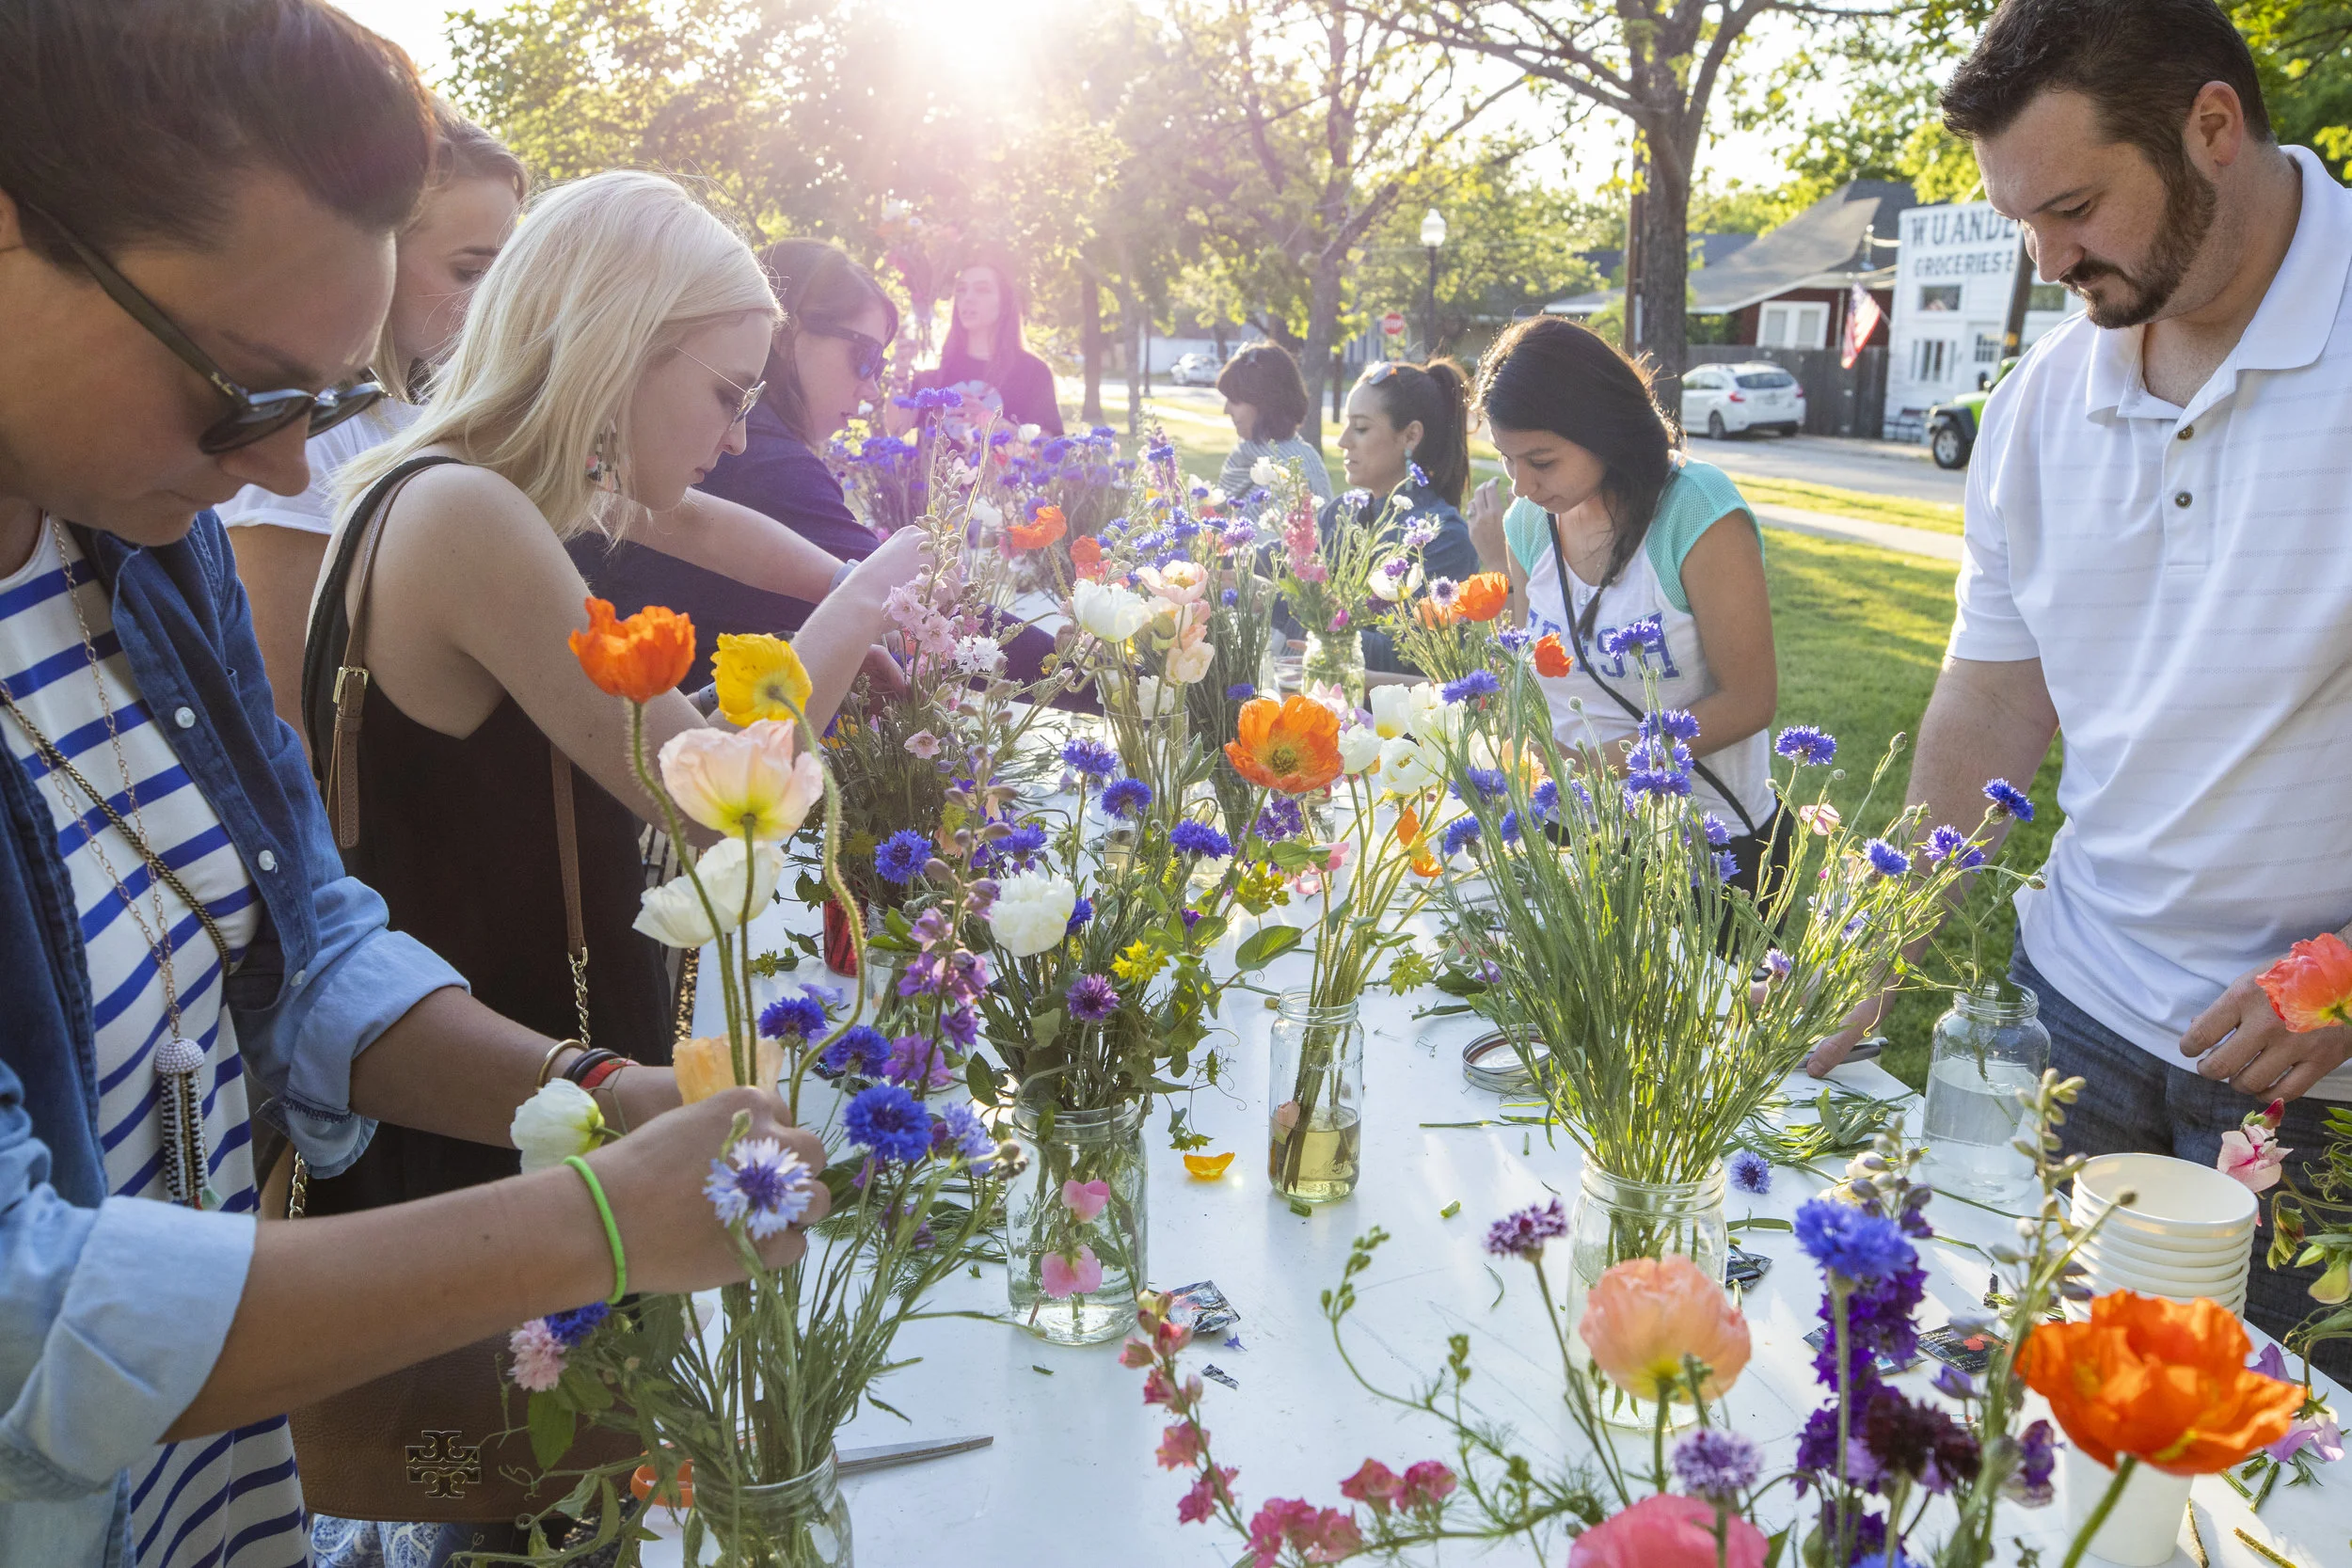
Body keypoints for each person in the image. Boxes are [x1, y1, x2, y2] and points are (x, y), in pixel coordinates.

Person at [0, 6, 824, 1567]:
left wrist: (593, 1091)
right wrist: (595, 1218)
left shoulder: (142, 551)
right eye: (243, 389)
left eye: (318, 404)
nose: (271, 470)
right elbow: (23, 1314)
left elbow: (308, 945)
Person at [1803, 0, 2352, 1380]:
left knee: (2269, 1475)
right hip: (2079, 1011)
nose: (2048, 260)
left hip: (2319, 1084)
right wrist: (1866, 945)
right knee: (2029, 1420)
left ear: (2210, 126)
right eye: (2020, 223)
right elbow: (1991, 707)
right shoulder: (2042, 399)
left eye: (2076, 206)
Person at [217, 101, 526, 743]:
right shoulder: (314, 432)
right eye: (468, 271)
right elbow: (286, 718)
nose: (491, 306)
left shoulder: (414, 419)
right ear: (373, 253)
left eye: (504, 277)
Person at [1467, 317, 1787, 896]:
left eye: (1540, 461)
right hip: (1572, 833)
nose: (1520, 486)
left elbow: (1750, 700)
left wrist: (1590, 766)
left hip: (1707, 844)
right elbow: (1529, 683)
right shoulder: (1527, 526)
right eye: (1506, 459)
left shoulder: (1697, 510)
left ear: (1602, 428)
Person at [580, 237, 898, 687]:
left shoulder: (588, 477)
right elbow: (654, 745)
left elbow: (703, 527)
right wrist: (845, 624)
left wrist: (853, 593)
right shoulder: (484, 503)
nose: (738, 442)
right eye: (730, 396)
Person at [1319, 359, 1480, 674]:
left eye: (1361, 428)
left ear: (1410, 436)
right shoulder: (1342, 512)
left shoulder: (1442, 536)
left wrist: (1307, 618)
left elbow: (1416, 654)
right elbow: (1277, 564)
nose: (1343, 441)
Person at [899, 258, 1063, 436]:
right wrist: (900, 373)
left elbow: (1050, 446)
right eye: (961, 290)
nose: (968, 298)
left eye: (982, 290)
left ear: (1005, 304)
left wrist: (999, 427)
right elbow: (897, 428)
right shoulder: (937, 371)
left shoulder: (1033, 371)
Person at [1215, 342, 1333, 504]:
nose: (1226, 410)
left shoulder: (1297, 470)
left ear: (1264, 401)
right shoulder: (1244, 454)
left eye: (1234, 400)